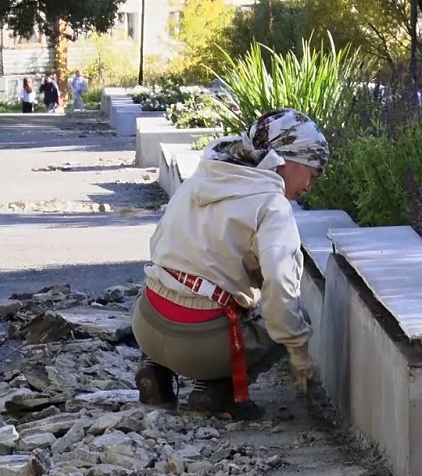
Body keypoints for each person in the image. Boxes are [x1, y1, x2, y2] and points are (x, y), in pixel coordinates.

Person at [131, 109, 327, 420]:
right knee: (288, 318)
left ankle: (155, 372)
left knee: (174, 279)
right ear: (291, 161)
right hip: (200, 345)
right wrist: (299, 352)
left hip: (146, 322)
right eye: (313, 173)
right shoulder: (272, 206)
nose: (309, 187)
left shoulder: (203, 176)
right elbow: (280, 284)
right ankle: (217, 392)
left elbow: (159, 244)